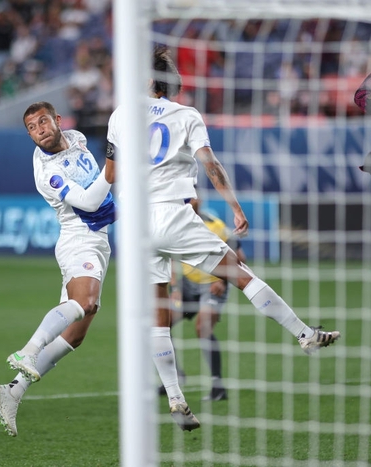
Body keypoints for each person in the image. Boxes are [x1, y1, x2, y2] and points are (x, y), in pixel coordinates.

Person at [106, 46, 341, 432]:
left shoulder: (120, 116)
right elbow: (210, 164)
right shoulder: (187, 115)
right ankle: (304, 334)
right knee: (241, 273)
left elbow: (111, 175)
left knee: (157, 315)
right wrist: (235, 208)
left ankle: (177, 400)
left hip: (134, 223)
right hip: (172, 214)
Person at [0, 101, 116, 437]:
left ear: (57, 121)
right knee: (85, 302)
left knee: (76, 333)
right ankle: (28, 351)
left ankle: (13, 391)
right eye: (32, 127)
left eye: (43, 122)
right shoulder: (48, 173)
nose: (39, 130)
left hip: (98, 239)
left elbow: (97, 185)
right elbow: (90, 202)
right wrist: (114, 165)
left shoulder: (76, 138)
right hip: (79, 239)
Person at [160, 197, 247, 402]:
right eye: (184, 200)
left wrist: (223, 281)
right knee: (159, 325)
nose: (188, 204)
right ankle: (175, 379)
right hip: (188, 285)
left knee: (203, 328)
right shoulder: (175, 223)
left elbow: (239, 257)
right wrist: (174, 287)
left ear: (198, 201)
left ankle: (218, 386)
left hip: (213, 285)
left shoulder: (215, 225)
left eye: (190, 199)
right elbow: (169, 257)